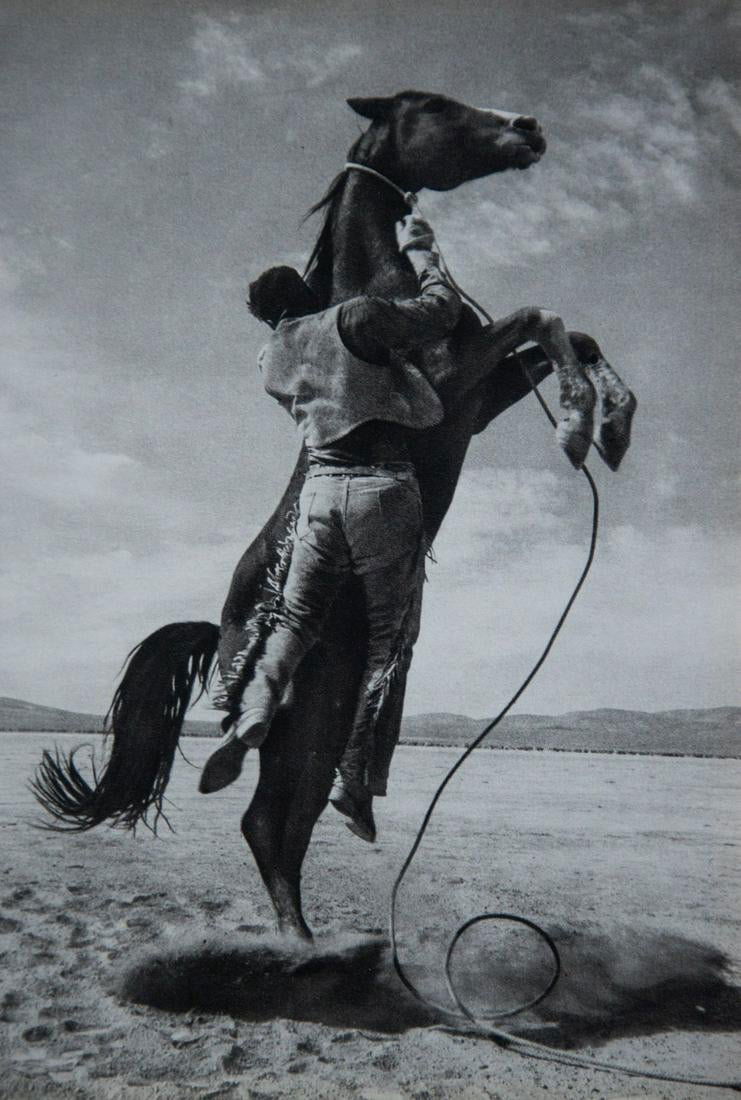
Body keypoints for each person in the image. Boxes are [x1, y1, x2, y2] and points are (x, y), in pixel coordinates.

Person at [199, 212, 461, 843]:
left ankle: (256, 709)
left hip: (319, 494)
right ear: (312, 295)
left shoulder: (270, 360)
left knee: (292, 622)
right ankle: (351, 776)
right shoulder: (355, 318)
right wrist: (420, 250)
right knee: (387, 644)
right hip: (382, 488)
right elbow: (442, 311)